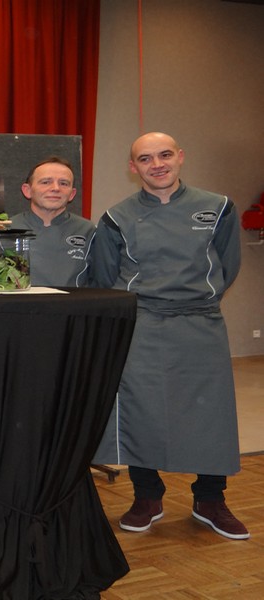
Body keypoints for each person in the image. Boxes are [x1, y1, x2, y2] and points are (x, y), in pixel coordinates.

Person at [88, 132, 247, 540]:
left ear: (180, 157)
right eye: (145, 158)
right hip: (142, 324)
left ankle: (210, 499)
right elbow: (107, 277)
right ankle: (147, 495)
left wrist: (196, 300)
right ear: (133, 167)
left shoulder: (218, 207)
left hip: (200, 322)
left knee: (210, 414)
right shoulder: (116, 218)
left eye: (164, 155)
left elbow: (227, 266)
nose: (156, 164)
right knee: (143, 411)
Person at [10, 156, 94, 287]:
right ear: (27, 190)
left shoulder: (89, 231)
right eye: (46, 182)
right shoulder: (6, 230)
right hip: (19, 307)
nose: (55, 188)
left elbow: (101, 283)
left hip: (73, 306)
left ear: (72, 194)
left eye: (64, 183)